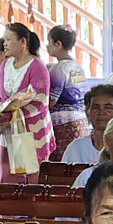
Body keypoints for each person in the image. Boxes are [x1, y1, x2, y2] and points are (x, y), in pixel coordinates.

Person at [0, 24, 52, 181]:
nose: (4, 44)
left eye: (8, 39)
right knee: (7, 177)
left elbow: (40, 102)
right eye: (4, 40)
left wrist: (9, 117)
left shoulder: (37, 67)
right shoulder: (5, 65)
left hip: (31, 131)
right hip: (8, 132)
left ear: (22, 42)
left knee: (32, 177)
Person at [58, 83, 113, 166]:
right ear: (87, 113)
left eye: (108, 107)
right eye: (95, 107)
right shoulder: (77, 148)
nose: (101, 112)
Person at [44, 25, 87, 153]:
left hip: (63, 124)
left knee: (62, 161)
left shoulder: (58, 69)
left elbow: (51, 101)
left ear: (58, 44)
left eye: (49, 42)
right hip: (80, 120)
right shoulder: (78, 67)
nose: (47, 46)